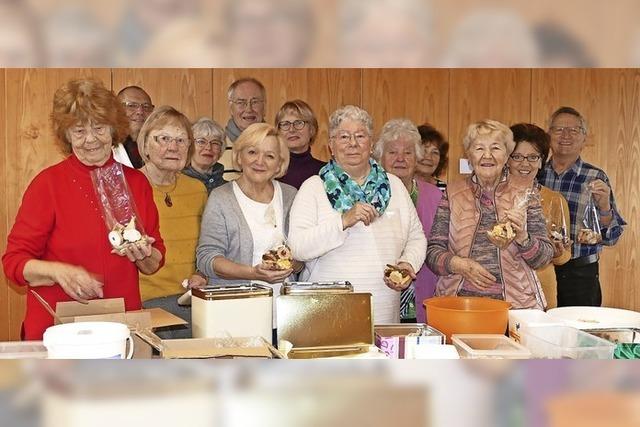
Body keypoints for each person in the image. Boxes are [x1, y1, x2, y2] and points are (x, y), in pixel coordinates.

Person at [2, 78, 164, 340]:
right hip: (58, 329)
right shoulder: (48, 184)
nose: (90, 139)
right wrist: (58, 271)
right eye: (79, 131)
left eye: (99, 128)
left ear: (113, 129)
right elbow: (13, 263)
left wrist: (144, 255)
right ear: (66, 136)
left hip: (121, 328)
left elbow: (154, 261)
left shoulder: (137, 182)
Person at [288, 105, 427, 323]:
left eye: (360, 136)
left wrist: (408, 264)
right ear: (331, 146)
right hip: (327, 311)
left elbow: (416, 237)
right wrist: (342, 221)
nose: (352, 143)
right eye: (343, 136)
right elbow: (297, 247)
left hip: (383, 310)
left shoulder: (394, 185)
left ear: (371, 144)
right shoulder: (313, 187)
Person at [426, 119, 553, 309]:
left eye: (495, 148)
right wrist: (459, 265)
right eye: (479, 149)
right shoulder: (452, 194)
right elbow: (433, 252)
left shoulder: (526, 194)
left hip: (515, 306)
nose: (487, 156)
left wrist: (523, 238)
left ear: (506, 155)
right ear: (469, 156)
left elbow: (543, 258)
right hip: (460, 304)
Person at [196, 123, 299, 332]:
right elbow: (207, 258)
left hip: (285, 317)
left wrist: (292, 265)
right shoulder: (221, 198)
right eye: (252, 152)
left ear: (279, 163)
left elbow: (304, 253)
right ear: (239, 156)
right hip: (234, 315)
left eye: (270, 156)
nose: (259, 161)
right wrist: (253, 273)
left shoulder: (291, 196)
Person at [538, 107, 626, 307]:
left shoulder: (596, 177)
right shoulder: (535, 173)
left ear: (584, 138)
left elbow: (611, 237)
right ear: (549, 134)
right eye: (559, 129)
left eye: (574, 130)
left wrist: (604, 206)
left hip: (581, 274)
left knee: (580, 334)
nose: (566, 135)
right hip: (540, 269)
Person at [137, 105, 208, 338]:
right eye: (163, 138)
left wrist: (202, 273)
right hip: (143, 306)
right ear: (145, 144)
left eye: (181, 140)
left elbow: (206, 245)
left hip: (191, 303)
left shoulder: (197, 189)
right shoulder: (127, 188)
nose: (173, 147)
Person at [374, 118, 442, 323]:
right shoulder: (368, 196)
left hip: (424, 296)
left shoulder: (436, 196)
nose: (400, 158)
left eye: (408, 152)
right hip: (381, 295)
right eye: (393, 152)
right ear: (380, 157)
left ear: (417, 158)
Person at [508, 123, 571, 308]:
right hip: (501, 289)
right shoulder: (491, 196)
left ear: (542, 161)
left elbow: (565, 256)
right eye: (517, 156)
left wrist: (557, 252)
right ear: (506, 159)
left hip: (541, 289)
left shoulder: (554, 199)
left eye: (533, 157)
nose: (525, 163)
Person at [220, 77, 266, 180]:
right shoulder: (215, 146)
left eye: (255, 102)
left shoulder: (278, 145)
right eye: (241, 102)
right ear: (231, 108)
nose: (249, 109)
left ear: (264, 107)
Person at [274, 99, 325, 189]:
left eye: (298, 123)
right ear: (278, 132)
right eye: (285, 124)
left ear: (311, 129)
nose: (292, 129)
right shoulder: (270, 169)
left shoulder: (326, 172)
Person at [182, 117, 227, 194]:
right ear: (189, 146)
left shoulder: (229, 189)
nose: (208, 148)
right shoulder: (177, 185)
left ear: (221, 150)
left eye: (215, 143)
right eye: (201, 142)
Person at [116, 85, 154, 168]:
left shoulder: (160, 147)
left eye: (146, 107)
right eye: (131, 105)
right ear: (116, 109)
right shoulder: (105, 147)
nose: (140, 111)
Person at [416, 123, 449, 191]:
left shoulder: (447, 191)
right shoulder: (396, 187)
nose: (429, 157)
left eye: (435, 152)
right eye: (424, 150)